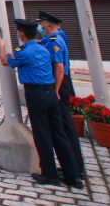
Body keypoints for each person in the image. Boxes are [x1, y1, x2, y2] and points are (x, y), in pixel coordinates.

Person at [0, 19, 82, 188]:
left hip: (36, 94)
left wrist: (1, 45)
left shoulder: (24, 51)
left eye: (18, 31)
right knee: (59, 134)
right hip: (51, 93)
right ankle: (73, 175)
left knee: (42, 133)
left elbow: (6, 61)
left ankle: (50, 173)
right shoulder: (43, 48)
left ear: (22, 34)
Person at [38, 10, 85, 178]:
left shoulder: (56, 40)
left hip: (59, 84)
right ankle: (72, 165)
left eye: (41, 23)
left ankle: (74, 168)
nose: (40, 26)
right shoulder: (57, 36)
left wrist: (55, 91)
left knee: (64, 126)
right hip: (61, 83)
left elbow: (59, 67)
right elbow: (43, 42)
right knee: (62, 126)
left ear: (48, 25)